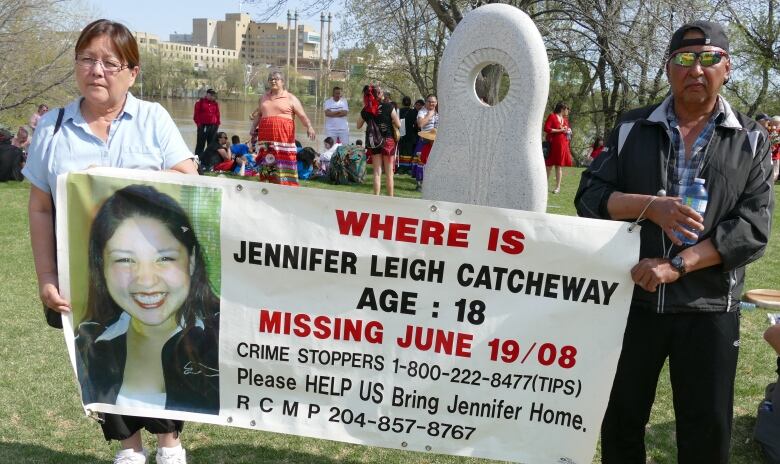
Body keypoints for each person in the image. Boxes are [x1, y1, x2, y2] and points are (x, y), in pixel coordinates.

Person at [575, 20, 773, 464]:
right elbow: (589, 197)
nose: (696, 70)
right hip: (631, 304)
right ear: (668, 68)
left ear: (728, 67)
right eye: (685, 59)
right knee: (621, 424)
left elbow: (752, 228)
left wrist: (677, 265)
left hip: (708, 310)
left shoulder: (751, 139)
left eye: (709, 59)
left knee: (706, 435)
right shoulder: (631, 128)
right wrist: (651, 206)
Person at [22, 19, 198, 464]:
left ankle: (170, 445)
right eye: (86, 59)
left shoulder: (154, 119)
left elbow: (189, 181)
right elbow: (41, 208)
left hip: (150, 270)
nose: (96, 70)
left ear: (132, 72)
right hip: (84, 277)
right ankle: (129, 448)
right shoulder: (52, 128)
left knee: (162, 339)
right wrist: (46, 277)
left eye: (109, 62)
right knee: (99, 352)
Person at [76, 185, 219, 414]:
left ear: (191, 261)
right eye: (124, 260)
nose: (145, 280)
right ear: (101, 266)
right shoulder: (86, 342)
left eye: (164, 258)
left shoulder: (229, 339)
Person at [252, 71, 315, 186]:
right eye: (270, 79)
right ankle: (268, 184)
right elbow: (259, 114)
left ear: (283, 82)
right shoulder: (263, 98)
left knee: (284, 161)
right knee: (268, 161)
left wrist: (309, 127)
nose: (273, 81)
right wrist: (253, 128)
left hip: (284, 138)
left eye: (276, 79)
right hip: (266, 138)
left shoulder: (291, 98)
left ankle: (287, 185)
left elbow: (302, 115)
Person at [357, 84, 400, 196]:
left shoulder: (366, 109)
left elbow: (358, 125)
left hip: (374, 142)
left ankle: (376, 198)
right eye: (381, 92)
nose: (383, 93)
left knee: (377, 172)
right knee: (389, 173)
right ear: (379, 94)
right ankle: (390, 199)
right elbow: (399, 124)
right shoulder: (388, 106)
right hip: (388, 141)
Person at [544, 102, 572, 194]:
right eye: (566, 109)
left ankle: (557, 187)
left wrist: (568, 131)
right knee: (548, 166)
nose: (568, 111)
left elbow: (567, 131)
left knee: (558, 167)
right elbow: (546, 128)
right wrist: (560, 130)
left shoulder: (565, 120)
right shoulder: (552, 116)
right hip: (553, 145)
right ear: (562, 109)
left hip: (562, 145)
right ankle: (544, 185)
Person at [412, 95, 438, 190]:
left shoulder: (438, 112)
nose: (432, 103)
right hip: (425, 140)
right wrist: (429, 115)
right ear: (426, 102)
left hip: (435, 142)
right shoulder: (422, 112)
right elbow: (420, 124)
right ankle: (420, 184)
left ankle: (432, 184)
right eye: (430, 101)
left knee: (433, 163)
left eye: (434, 102)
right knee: (422, 162)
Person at [193, 89, 220, 157]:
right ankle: (198, 158)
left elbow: (217, 114)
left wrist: (217, 124)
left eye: (213, 95)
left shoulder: (215, 103)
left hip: (213, 126)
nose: (212, 97)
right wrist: (199, 125)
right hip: (203, 126)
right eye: (211, 95)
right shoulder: (200, 102)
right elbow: (196, 115)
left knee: (211, 144)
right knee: (200, 144)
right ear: (207, 94)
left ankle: (209, 160)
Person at [397, 96, 418, 174]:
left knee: (401, 151)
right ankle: (409, 168)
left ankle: (401, 168)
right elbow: (416, 124)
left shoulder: (399, 111)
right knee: (409, 152)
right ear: (410, 103)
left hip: (401, 134)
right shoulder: (414, 112)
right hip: (411, 134)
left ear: (402, 103)